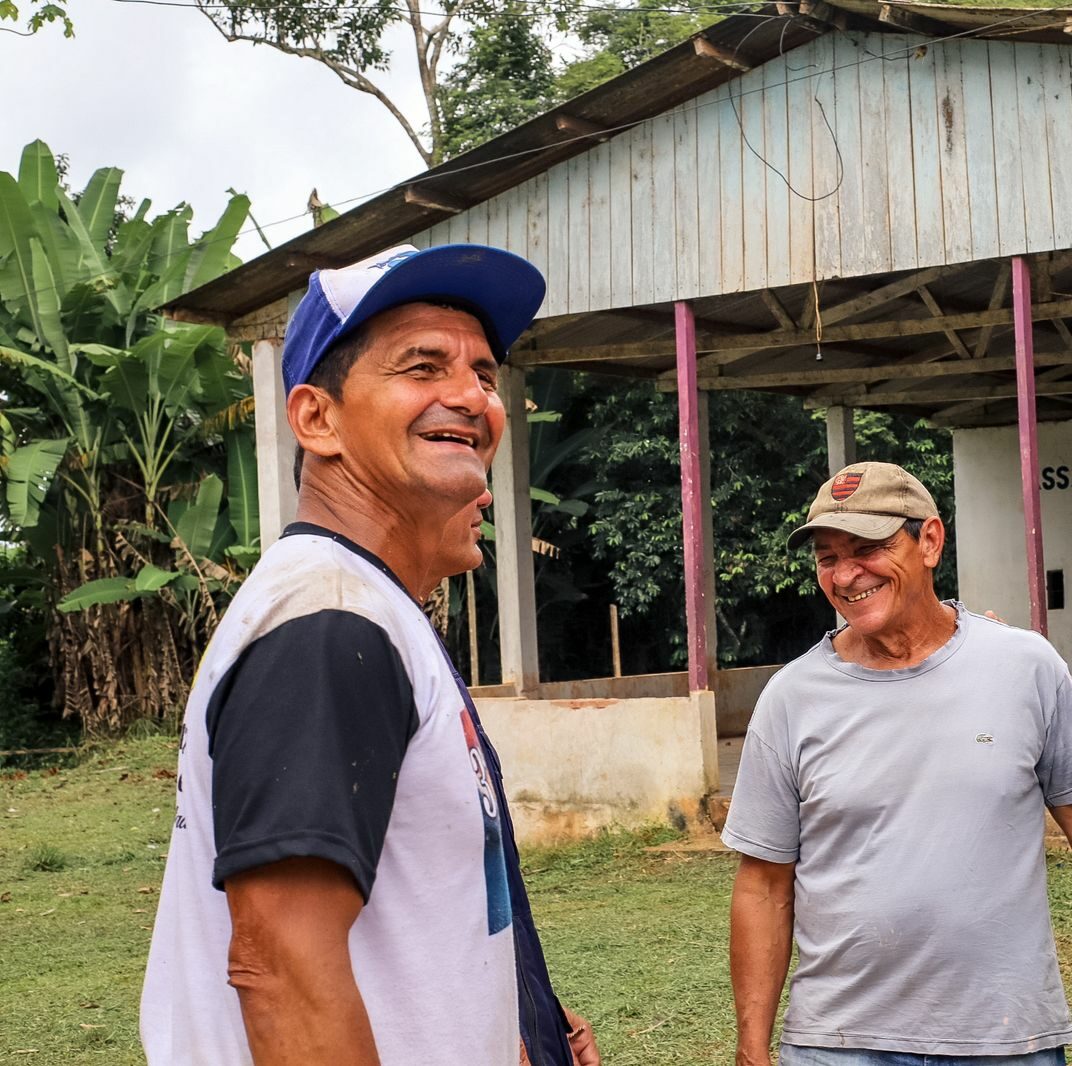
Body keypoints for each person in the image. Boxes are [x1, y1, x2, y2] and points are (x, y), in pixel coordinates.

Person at [141, 243, 599, 1066]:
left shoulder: (371, 608)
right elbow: (281, 965)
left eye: (484, 373)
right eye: (422, 366)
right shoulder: (329, 618)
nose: (470, 395)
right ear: (317, 418)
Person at [722, 460, 1072, 1066]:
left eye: (868, 548)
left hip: (1003, 1037)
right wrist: (752, 1047)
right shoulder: (791, 697)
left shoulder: (1026, 668)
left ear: (929, 541)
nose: (847, 574)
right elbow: (763, 887)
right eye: (828, 557)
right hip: (838, 1044)